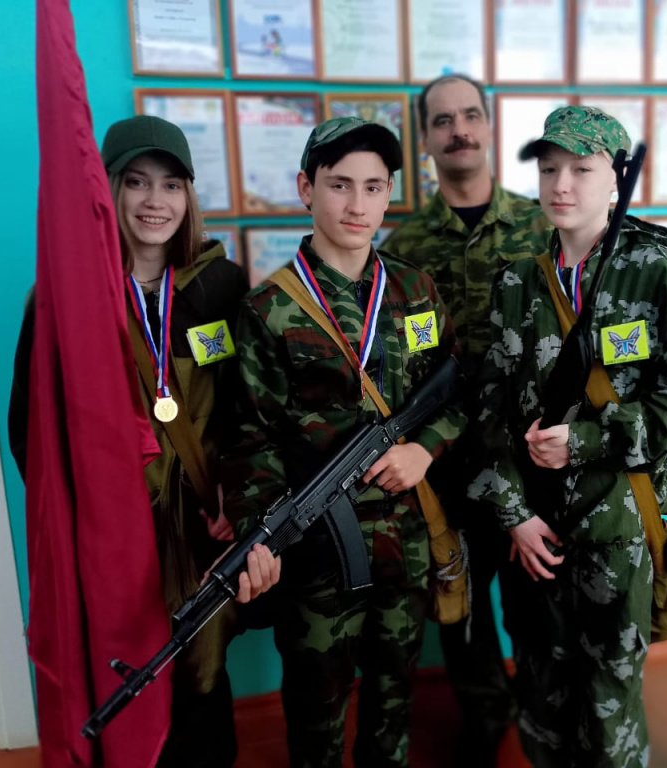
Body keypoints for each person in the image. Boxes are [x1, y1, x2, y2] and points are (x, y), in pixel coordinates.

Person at [8, 114, 281, 768]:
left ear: (188, 197)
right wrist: (92, 523)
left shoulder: (222, 287)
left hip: (205, 534)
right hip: (118, 543)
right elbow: (31, 436)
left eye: (171, 184)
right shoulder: (62, 300)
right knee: (129, 687)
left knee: (204, 688)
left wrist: (238, 495)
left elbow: (252, 410)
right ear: (107, 190)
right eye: (136, 182)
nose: (155, 201)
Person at [468, 106, 667, 768]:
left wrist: (587, 441)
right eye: (549, 169)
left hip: (618, 527)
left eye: (581, 169)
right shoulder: (517, 280)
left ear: (616, 180)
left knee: (609, 703)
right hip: (534, 534)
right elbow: (488, 407)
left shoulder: (651, 271)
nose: (561, 184)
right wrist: (513, 515)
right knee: (541, 694)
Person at [220, 116, 467, 768]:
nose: (357, 205)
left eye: (373, 187)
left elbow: (458, 391)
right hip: (318, 554)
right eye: (339, 185)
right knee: (316, 715)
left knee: (393, 704)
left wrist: (425, 448)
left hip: (406, 542)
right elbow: (249, 438)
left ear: (389, 195)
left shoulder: (415, 290)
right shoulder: (269, 308)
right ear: (307, 188)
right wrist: (257, 534)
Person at [381, 74, 550, 765]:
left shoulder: (541, 225)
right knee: (461, 607)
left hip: (532, 463)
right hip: (445, 465)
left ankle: (543, 720)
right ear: (425, 137)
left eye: (471, 115)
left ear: (490, 125)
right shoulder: (403, 246)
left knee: (539, 604)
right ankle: (484, 715)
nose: (459, 130)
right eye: (443, 120)